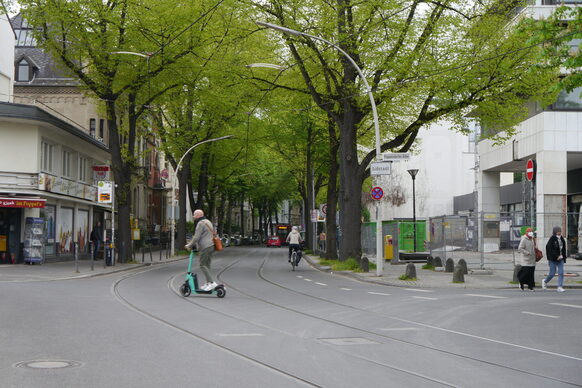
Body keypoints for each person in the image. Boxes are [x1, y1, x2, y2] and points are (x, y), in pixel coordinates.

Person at [185, 209, 217, 291]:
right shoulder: (208, 221)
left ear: (199, 215)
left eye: (194, 215)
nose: (193, 216)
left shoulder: (200, 223)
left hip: (205, 247)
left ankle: (212, 283)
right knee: (207, 265)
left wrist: (189, 245)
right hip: (211, 245)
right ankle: (208, 283)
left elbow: (196, 237)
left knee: (202, 265)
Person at [543, 226, 567, 293]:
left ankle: (560, 286)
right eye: (558, 231)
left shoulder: (562, 239)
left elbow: (564, 249)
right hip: (553, 259)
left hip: (561, 259)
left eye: (560, 231)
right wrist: (556, 256)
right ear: (555, 232)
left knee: (561, 272)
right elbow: (549, 249)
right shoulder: (552, 239)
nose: (559, 232)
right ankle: (545, 281)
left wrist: (564, 257)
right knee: (552, 273)